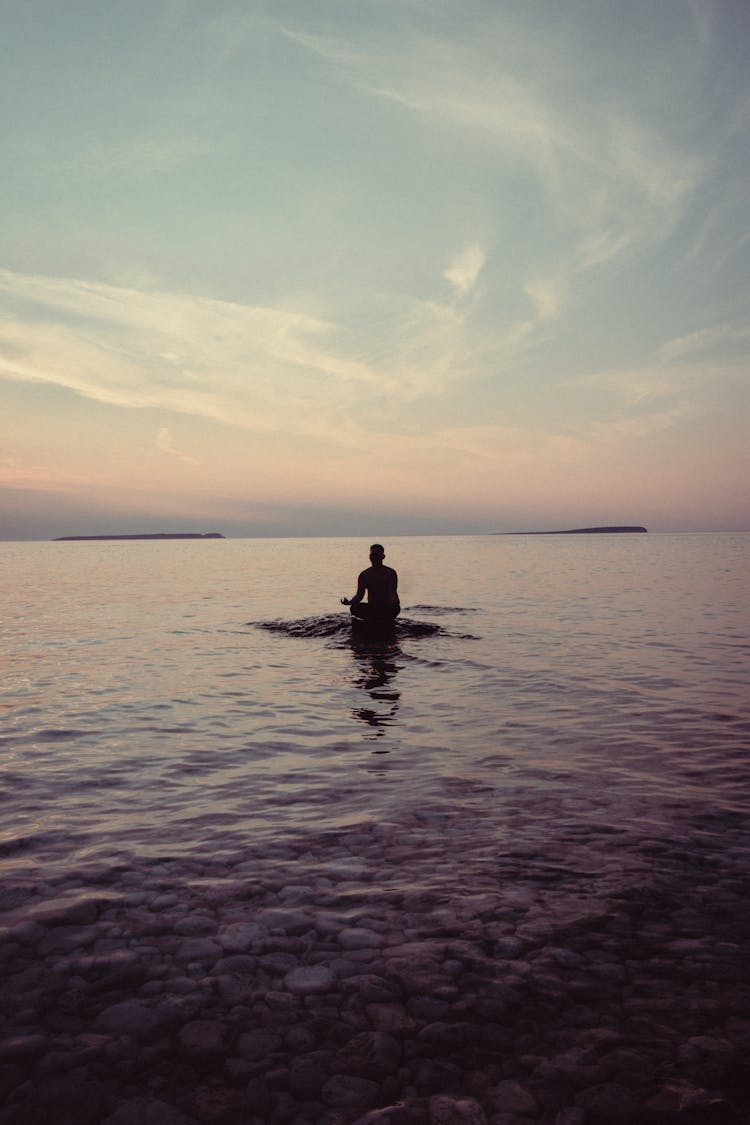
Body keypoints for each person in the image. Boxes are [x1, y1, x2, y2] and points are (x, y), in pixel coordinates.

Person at [341, 544, 400, 623]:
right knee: (354, 607)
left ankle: (383, 618)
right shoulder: (364, 575)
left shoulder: (390, 573)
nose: (374, 557)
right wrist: (349, 602)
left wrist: (395, 602)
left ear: (383, 556)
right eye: (372, 555)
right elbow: (359, 595)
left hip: (386, 607)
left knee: (395, 608)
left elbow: (392, 592)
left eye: (376, 555)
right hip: (372, 607)